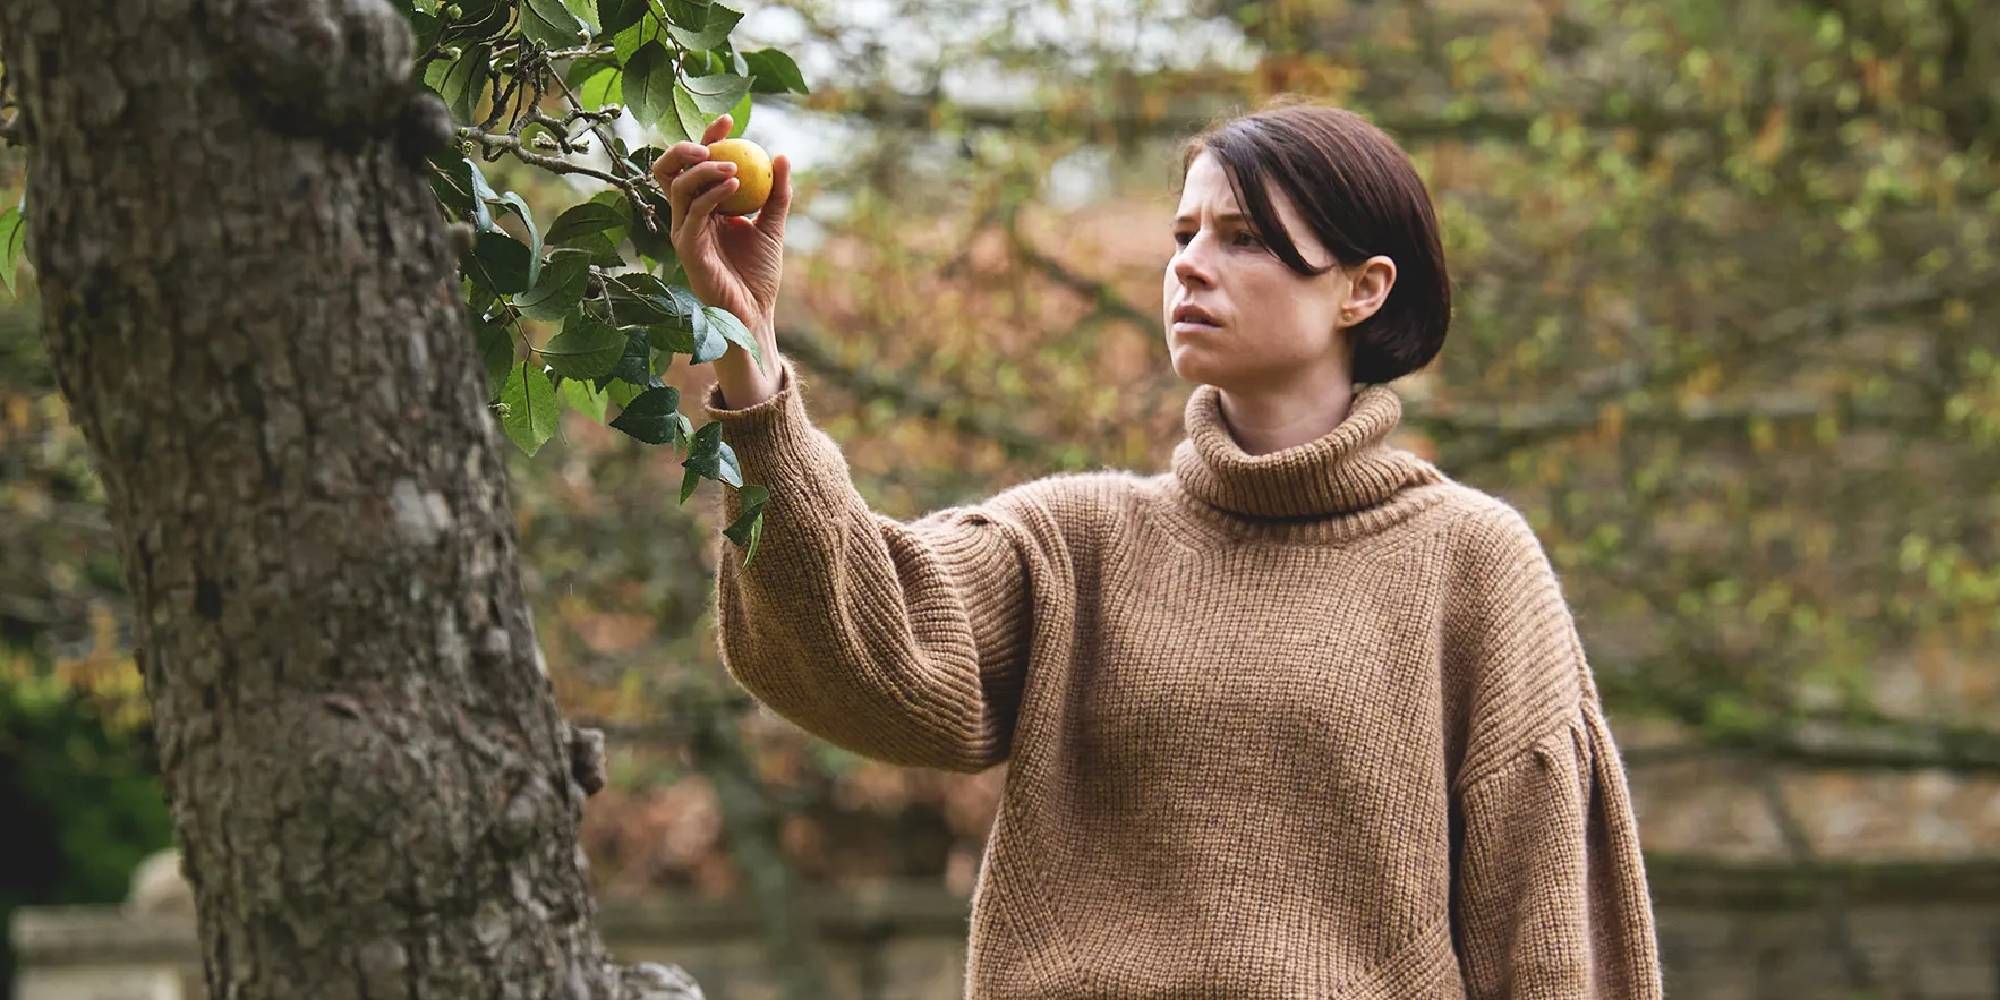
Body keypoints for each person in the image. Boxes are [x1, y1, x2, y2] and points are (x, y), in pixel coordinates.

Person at [651, 96, 1665, 999]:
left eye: (1242, 237)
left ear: (1361, 289)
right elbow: (859, 650)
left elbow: (1551, 946)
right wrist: (751, 360)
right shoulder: (1076, 542)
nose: (1188, 260)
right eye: (1183, 231)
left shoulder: (1471, 564)